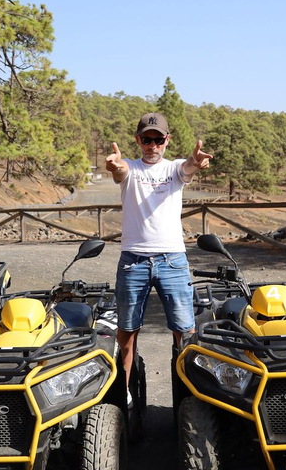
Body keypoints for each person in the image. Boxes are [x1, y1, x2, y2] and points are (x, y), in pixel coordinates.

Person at [105, 112, 212, 394]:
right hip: (133, 261)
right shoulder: (129, 167)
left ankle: (191, 394)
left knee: (185, 331)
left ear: (167, 140)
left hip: (172, 261)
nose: (152, 145)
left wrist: (196, 163)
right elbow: (120, 173)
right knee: (126, 332)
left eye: (158, 139)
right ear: (138, 140)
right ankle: (125, 396)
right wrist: (114, 166)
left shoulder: (173, 168)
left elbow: (187, 169)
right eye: (146, 139)